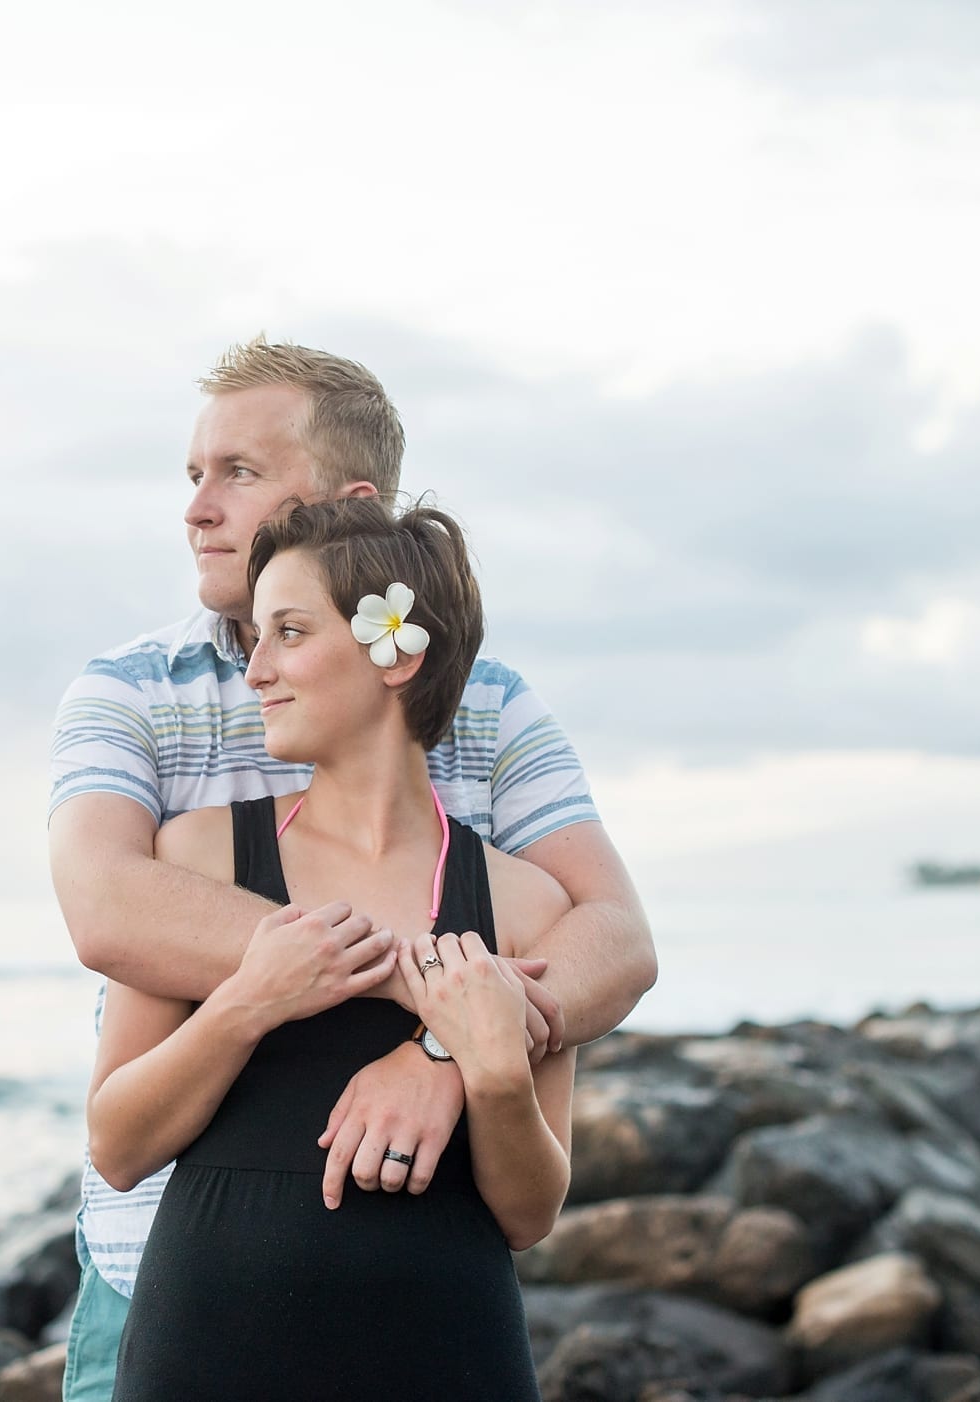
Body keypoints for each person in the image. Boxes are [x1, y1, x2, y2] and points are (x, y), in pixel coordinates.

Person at [47, 337, 656, 1402]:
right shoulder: (129, 693)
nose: (197, 507)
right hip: (163, 1281)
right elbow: (107, 911)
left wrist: (446, 1049)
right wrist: (426, 985)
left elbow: (612, 942)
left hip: (432, 1319)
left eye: (238, 471)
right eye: (193, 475)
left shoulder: (496, 710)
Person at [90, 497, 574, 1400]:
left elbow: (530, 1212)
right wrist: (246, 1003)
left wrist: (489, 1069)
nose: (256, 669)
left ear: (398, 653)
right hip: (208, 1355)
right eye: (254, 638)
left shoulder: (527, 900)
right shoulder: (195, 857)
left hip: (446, 1357)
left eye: (288, 632)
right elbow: (116, 1146)